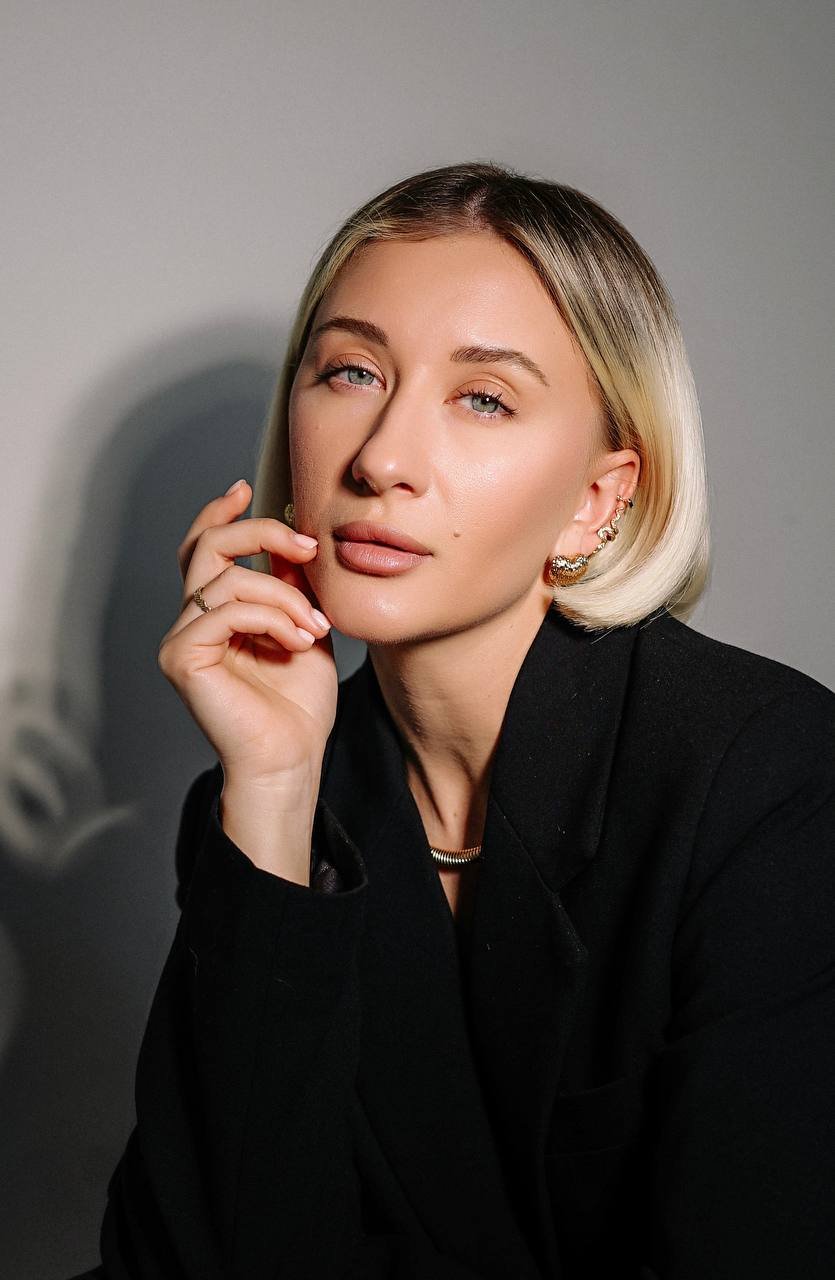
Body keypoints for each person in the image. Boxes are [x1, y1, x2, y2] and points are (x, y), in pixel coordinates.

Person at [71, 162, 835, 1280]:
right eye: (351, 371)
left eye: (483, 398)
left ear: (596, 498)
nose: (380, 459)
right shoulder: (266, 812)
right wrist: (272, 790)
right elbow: (193, 1260)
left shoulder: (767, 779)